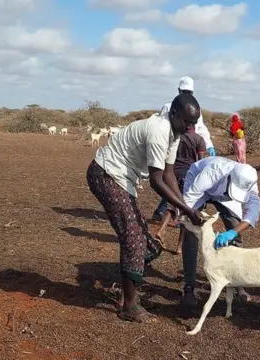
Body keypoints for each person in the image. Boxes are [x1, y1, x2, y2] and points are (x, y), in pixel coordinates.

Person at [86, 93, 205, 323]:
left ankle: (126, 296)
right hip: (106, 174)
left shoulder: (175, 134)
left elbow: (169, 173)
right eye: (187, 122)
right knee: (134, 238)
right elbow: (157, 180)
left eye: (194, 124)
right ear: (173, 114)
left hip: (122, 179)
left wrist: (184, 206)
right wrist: (187, 210)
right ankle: (129, 306)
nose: (190, 127)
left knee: (146, 243)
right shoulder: (160, 130)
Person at [179, 156, 260, 315]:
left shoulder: (250, 181)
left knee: (235, 229)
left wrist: (233, 232)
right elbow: (190, 198)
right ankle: (188, 287)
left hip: (225, 197)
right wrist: (190, 216)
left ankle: (238, 283)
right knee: (191, 232)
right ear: (229, 177)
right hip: (198, 186)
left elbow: (252, 214)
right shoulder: (214, 171)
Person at [152, 76, 216, 221]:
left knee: (174, 179)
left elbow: (201, 128)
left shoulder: (194, 108)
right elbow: (162, 128)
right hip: (173, 144)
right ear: (179, 90)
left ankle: (166, 210)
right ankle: (171, 210)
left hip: (185, 143)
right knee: (174, 178)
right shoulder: (169, 106)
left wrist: (209, 144)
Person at [154, 124, 208, 254]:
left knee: (171, 205)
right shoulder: (198, 139)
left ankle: (161, 230)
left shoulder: (175, 137)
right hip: (188, 175)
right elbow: (200, 162)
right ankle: (179, 247)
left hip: (171, 173)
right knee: (186, 209)